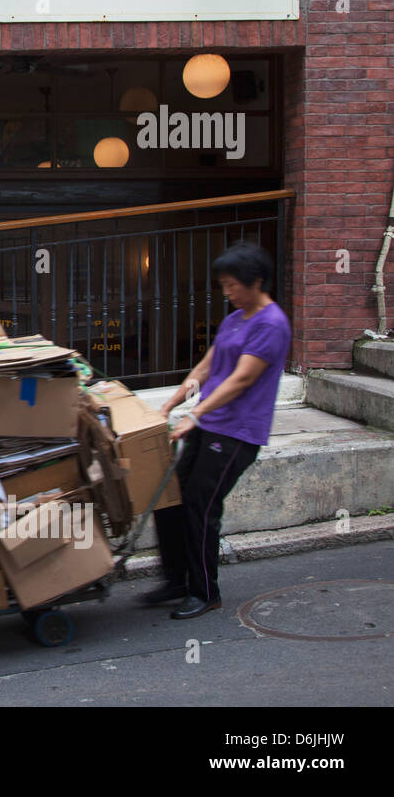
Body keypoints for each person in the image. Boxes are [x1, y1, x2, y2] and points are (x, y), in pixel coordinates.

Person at [143, 242, 291, 620]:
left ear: (256, 281)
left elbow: (240, 380)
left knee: (200, 506)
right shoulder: (235, 318)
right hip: (209, 424)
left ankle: (205, 591)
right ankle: (175, 579)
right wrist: (170, 404)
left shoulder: (271, 324)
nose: (227, 293)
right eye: (223, 285)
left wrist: (195, 415)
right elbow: (206, 368)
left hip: (237, 433)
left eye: (232, 285)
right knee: (171, 496)